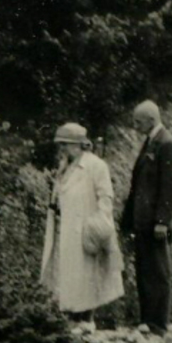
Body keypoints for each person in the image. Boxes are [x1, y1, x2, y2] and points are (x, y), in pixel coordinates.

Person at [40, 123, 124, 323]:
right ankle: (70, 317)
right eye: (60, 145)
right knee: (67, 274)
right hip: (65, 228)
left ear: (79, 144)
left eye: (65, 144)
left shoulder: (95, 166)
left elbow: (106, 198)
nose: (62, 149)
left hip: (86, 230)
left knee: (87, 275)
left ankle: (86, 319)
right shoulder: (65, 167)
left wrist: (99, 224)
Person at [120, 100, 172, 334]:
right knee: (145, 270)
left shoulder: (166, 144)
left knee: (158, 272)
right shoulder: (150, 142)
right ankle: (147, 320)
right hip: (143, 220)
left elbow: (171, 187)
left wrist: (162, 221)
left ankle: (158, 323)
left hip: (155, 222)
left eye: (138, 122)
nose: (135, 126)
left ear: (151, 120)